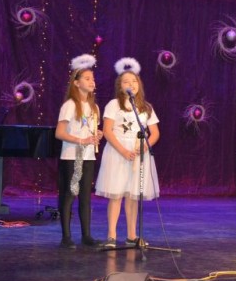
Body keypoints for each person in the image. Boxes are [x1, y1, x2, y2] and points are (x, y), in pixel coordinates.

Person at [95, 57, 161, 248]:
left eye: (134, 81)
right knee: (116, 195)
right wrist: (123, 150)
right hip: (118, 153)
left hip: (138, 154)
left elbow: (155, 133)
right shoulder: (113, 105)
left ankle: (132, 236)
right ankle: (111, 236)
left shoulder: (146, 107)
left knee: (133, 197)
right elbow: (107, 131)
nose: (131, 84)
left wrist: (145, 146)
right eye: (126, 81)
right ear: (120, 86)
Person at [55, 54, 103, 248]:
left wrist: (97, 135)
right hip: (71, 156)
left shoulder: (94, 107)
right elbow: (59, 132)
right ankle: (66, 237)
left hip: (88, 156)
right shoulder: (69, 105)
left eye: (93, 79)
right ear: (76, 83)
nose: (92, 82)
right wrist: (81, 140)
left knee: (85, 196)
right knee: (69, 194)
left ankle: (86, 235)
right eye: (87, 78)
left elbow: (89, 130)